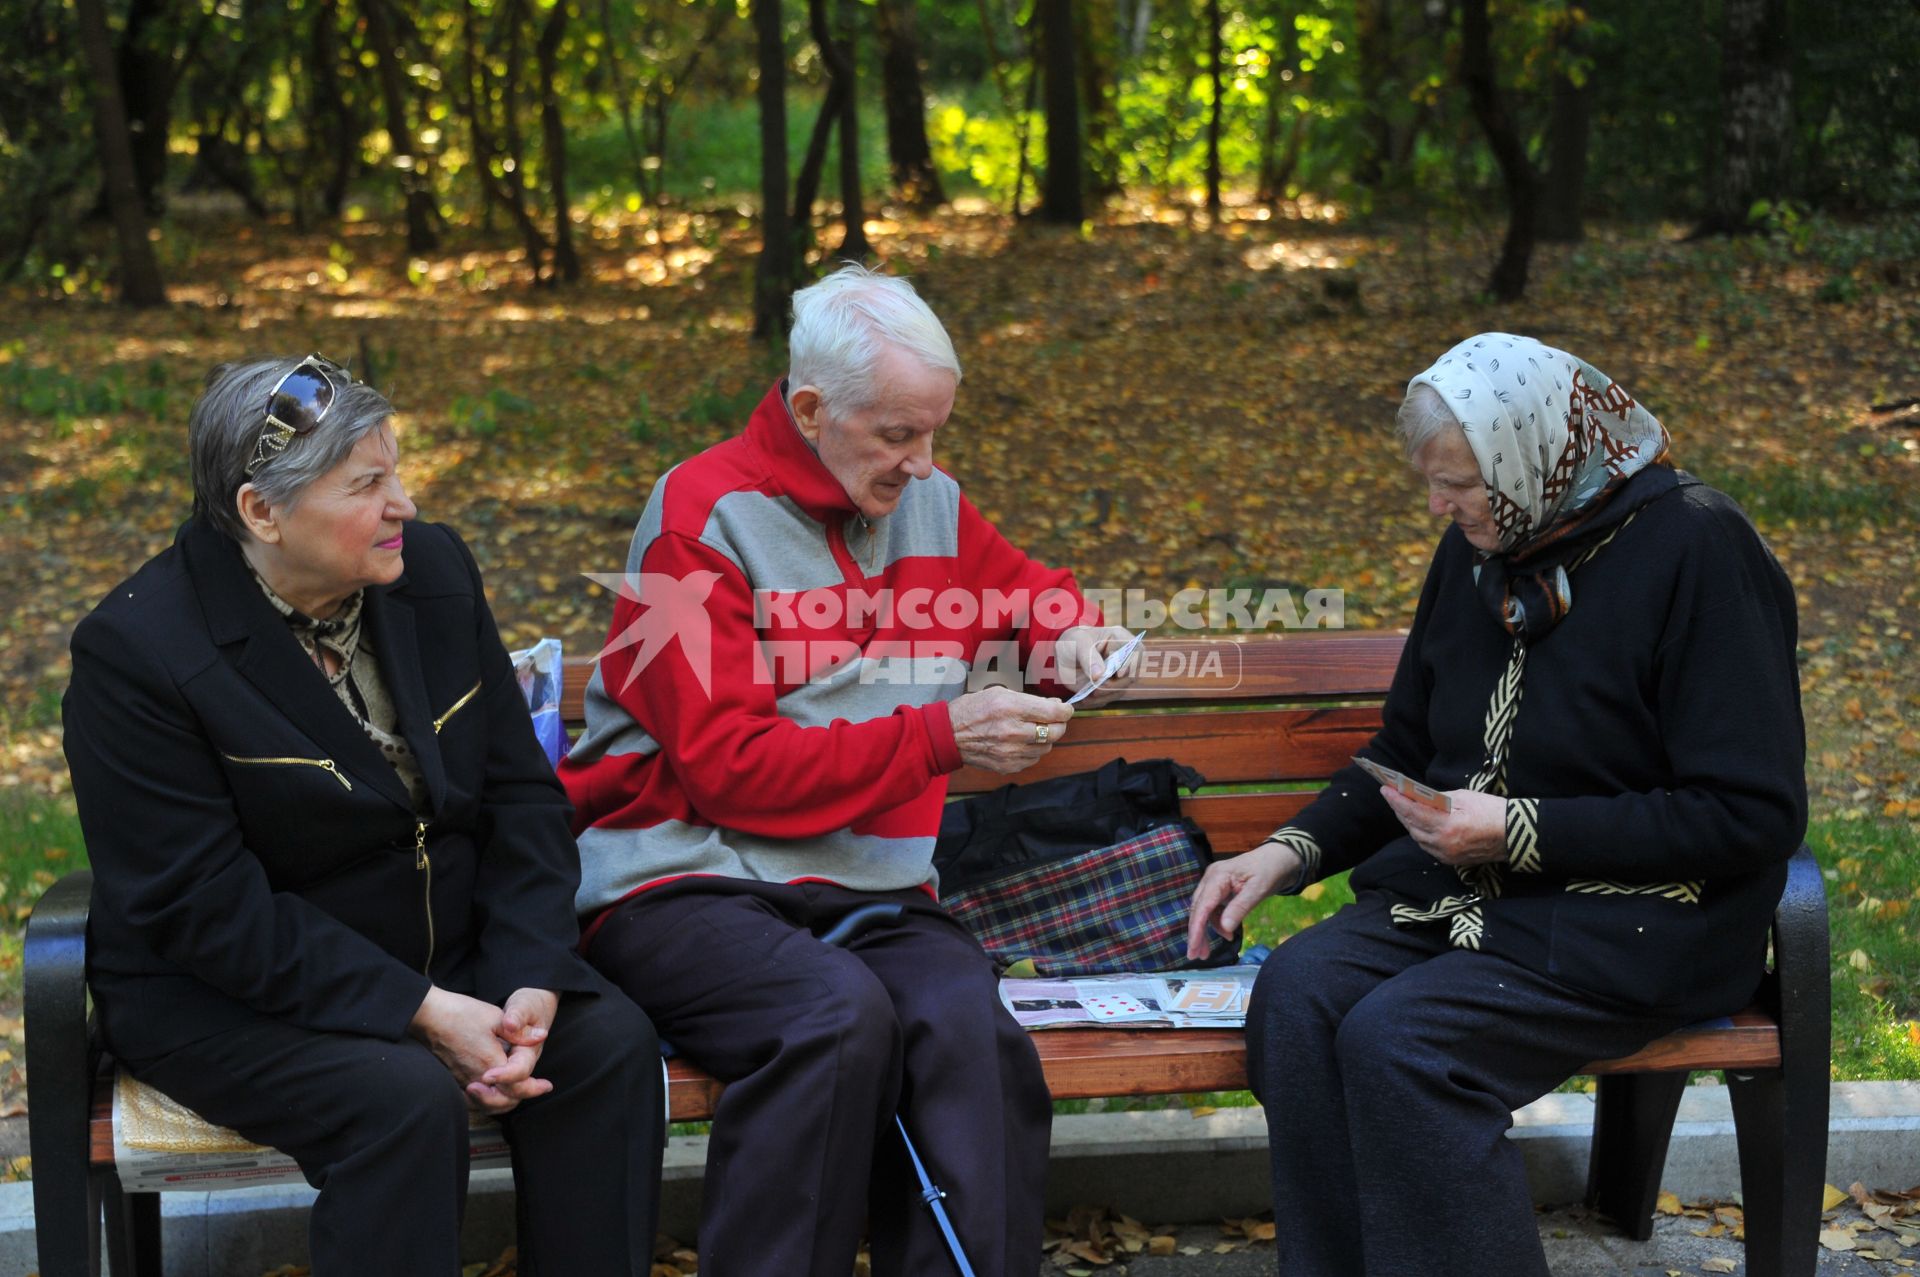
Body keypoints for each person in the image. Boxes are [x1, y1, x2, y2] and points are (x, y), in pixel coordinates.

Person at [1186, 332, 1806, 1277]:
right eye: (1433, 482)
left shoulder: (1699, 549)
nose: (1440, 506)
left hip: (1641, 919)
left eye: (1462, 483)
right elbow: (1404, 747)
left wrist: (1518, 830)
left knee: (1404, 1047)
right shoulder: (1487, 545)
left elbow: (1750, 814)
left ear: (1535, 455)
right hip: (1474, 896)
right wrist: (1286, 853)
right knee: (1300, 996)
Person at [561, 263, 1134, 1276]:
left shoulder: (933, 504)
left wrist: (1073, 630)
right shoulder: (700, 516)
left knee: (972, 1037)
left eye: (936, 432)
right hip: (683, 877)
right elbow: (731, 769)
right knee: (831, 1020)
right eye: (899, 433)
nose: (924, 462)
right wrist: (939, 738)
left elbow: (1022, 590)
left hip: (865, 884)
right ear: (814, 408)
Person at [62, 356, 665, 1276]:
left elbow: (520, 794)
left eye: (398, 472)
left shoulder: (433, 572)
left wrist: (531, 970)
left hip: (445, 948)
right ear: (262, 511)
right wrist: (420, 1011)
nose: (406, 507)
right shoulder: (140, 652)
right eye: (369, 484)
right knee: (400, 1102)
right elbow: (202, 908)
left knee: (606, 1048)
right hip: (233, 992)